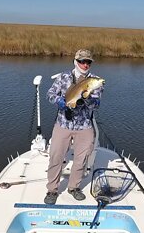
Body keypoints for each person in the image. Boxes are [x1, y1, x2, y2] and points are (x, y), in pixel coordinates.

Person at [44, 49, 104, 205]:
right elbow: (50, 94)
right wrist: (59, 101)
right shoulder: (63, 77)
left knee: (81, 160)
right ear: (75, 61)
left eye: (88, 62)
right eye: (82, 61)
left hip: (84, 126)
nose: (85, 64)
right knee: (56, 156)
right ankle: (52, 190)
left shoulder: (95, 81)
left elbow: (95, 105)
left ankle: (73, 188)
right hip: (63, 123)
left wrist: (88, 97)